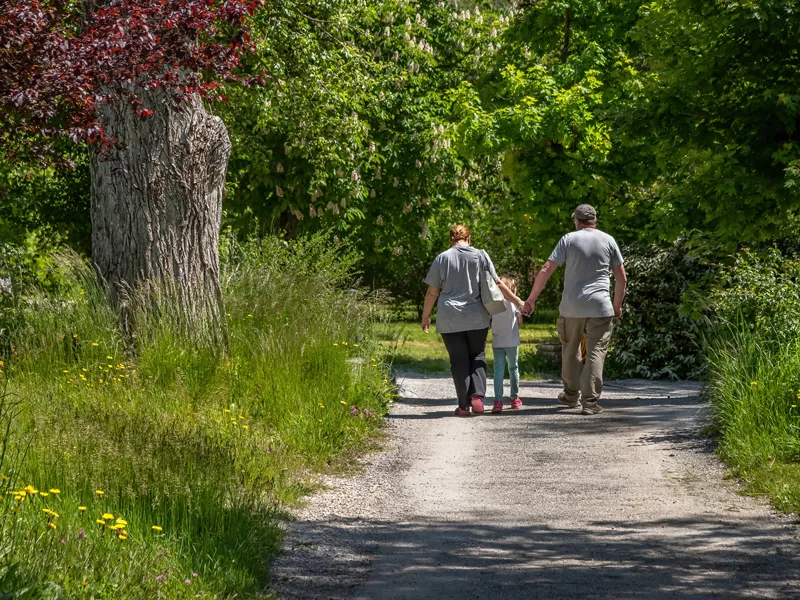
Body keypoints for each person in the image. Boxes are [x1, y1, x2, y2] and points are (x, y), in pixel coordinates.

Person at [522, 204, 627, 415]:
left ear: (576, 221)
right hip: (600, 306)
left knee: (570, 351)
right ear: (595, 220)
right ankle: (590, 402)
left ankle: (571, 396)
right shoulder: (608, 240)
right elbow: (621, 278)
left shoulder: (568, 240)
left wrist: (531, 299)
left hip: (571, 307)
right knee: (596, 352)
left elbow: (546, 269)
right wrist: (616, 306)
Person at [421, 225, 524, 417]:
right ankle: (477, 396)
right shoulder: (481, 256)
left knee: (458, 361)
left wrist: (426, 315)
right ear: (469, 239)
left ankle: (463, 406)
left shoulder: (442, 258)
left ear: (451, 240)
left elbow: (432, 291)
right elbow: (498, 284)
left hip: (450, 317)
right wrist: (518, 301)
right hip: (477, 317)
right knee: (477, 355)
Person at [491, 275, 523, 414]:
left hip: (498, 342)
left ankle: (498, 401)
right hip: (512, 342)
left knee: (498, 371)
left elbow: (490, 324)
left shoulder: (494, 304)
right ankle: (514, 399)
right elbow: (520, 323)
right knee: (513, 368)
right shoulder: (514, 304)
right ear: (512, 289)